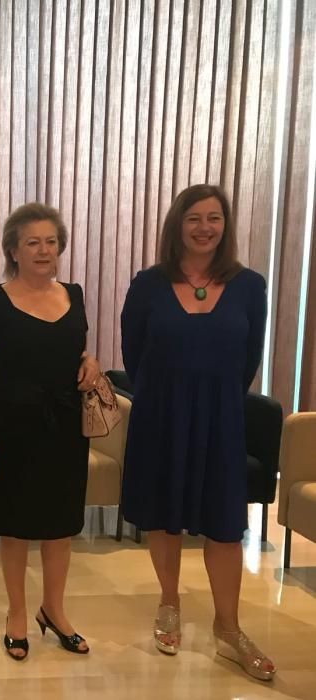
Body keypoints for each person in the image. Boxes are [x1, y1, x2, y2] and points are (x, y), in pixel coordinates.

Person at [120, 184, 274, 680]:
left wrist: (213, 395)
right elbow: (133, 352)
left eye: (214, 218)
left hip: (222, 418)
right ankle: (169, 603)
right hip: (160, 415)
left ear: (225, 226)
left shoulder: (250, 286)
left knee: (224, 524)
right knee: (164, 516)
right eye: (194, 218)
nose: (204, 227)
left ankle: (228, 628)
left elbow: (249, 358)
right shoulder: (148, 284)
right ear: (177, 225)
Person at [0, 203, 101, 662]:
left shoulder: (75, 295)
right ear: (13, 250)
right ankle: (18, 613)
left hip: (65, 427)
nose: (44, 250)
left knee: (61, 526)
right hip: (11, 426)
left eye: (51, 241)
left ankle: (55, 611)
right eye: (32, 242)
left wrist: (91, 362)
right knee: (16, 526)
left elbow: (77, 351)